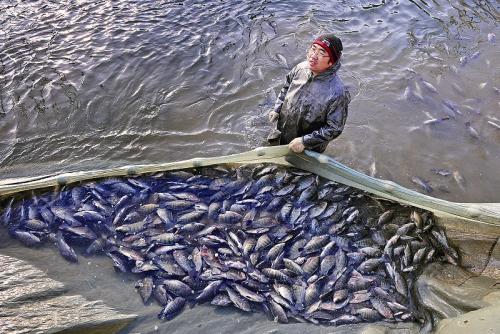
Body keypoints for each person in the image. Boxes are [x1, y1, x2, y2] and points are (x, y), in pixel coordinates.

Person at [267, 34, 351, 153]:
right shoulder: (300, 68)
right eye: (313, 48)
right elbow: (286, 87)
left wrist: (305, 141)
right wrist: (277, 108)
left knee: (294, 170)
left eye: (321, 52)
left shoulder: (337, 93)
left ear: (331, 62)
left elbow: (335, 128)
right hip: (283, 131)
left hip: (308, 148)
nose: (313, 55)